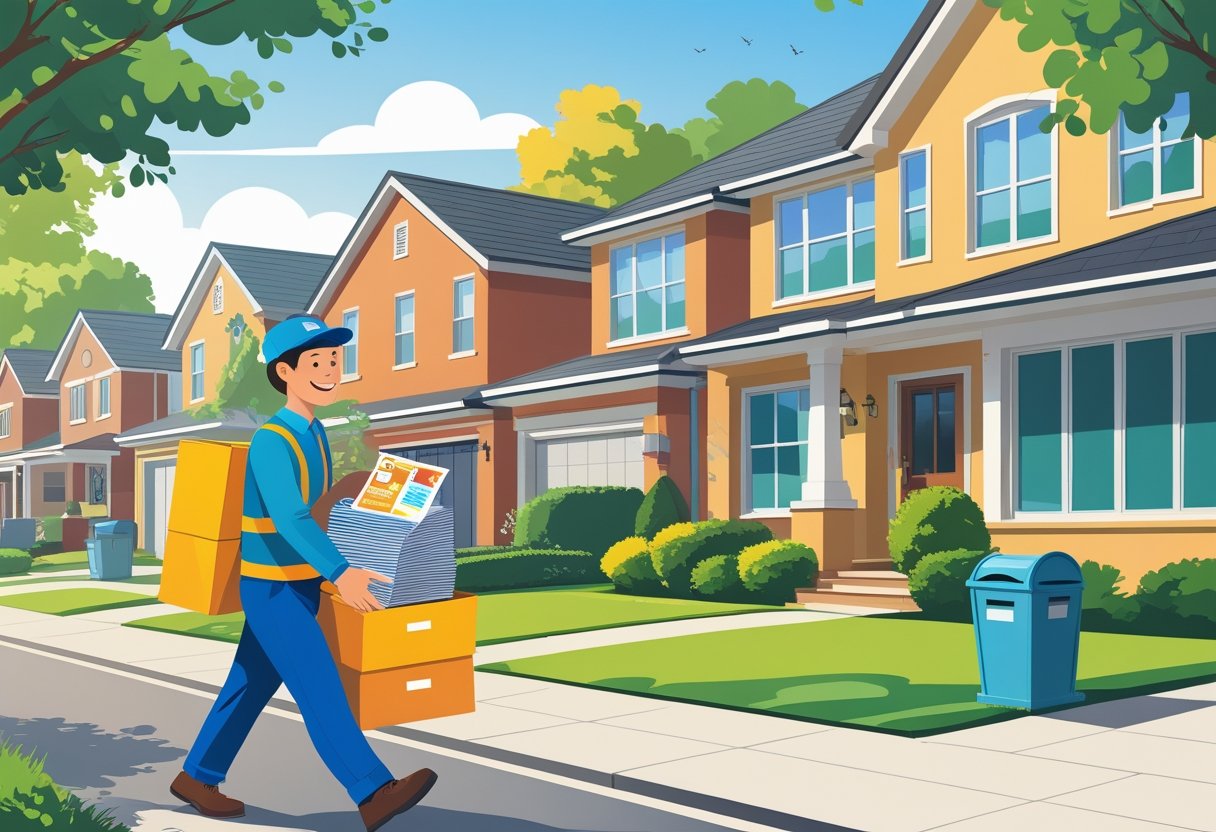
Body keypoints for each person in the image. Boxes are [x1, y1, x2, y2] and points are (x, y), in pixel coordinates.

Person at [170, 314, 437, 832]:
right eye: (316, 362)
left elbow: (314, 508)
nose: (330, 370)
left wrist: (365, 493)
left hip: (298, 582)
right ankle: (373, 790)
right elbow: (290, 515)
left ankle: (197, 775)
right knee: (319, 686)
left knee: (248, 683)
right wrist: (341, 572)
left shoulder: (314, 432)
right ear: (285, 372)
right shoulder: (273, 440)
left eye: (334, 360)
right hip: (272, 588)